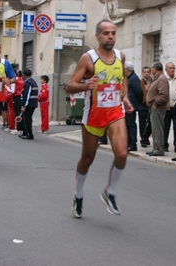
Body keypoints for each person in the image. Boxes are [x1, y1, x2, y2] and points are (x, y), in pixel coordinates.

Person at [65, 20, 134, 218]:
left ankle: (109, 192)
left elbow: (123, 80)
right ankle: (78, 195)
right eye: (106, 33)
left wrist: (125, 97)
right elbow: (70, 86)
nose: (110, 36)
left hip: (115, 113)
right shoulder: (88, 59)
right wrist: (86, 86)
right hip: (93, 115)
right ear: (97, 36)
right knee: (87, 159)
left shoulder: (120, 56)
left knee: (121, 154)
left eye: (113, 33)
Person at [146, 61, 169, 156]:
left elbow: (164, 95)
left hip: (158, 108)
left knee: (158, 128)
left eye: (152, 68)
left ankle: (159, 149)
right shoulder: (157, 78)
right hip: (154, 107)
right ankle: (155, 148)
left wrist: (155, 103)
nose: (151, 70)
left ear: (155, 68)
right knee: (154, 129)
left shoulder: (162, 78)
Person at [125, 61, 143, 152]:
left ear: (127, 69)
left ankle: (133, 144)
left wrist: (138, 103)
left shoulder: (134, 78)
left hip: (131, 105)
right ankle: (128, 143)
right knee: (127, 125)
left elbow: (139, 92)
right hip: (127, 105)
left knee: (131, 125)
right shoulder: (127, 78)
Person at [163, 62, 176, 152]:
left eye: (173, 68)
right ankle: (164, 145)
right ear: (166, 69)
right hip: (166, 108)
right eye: (170, 68)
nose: (172, 70)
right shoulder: (163, 79)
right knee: (165, 127)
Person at [19, 69, 38, 140]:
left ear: (24, 75)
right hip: (32, 104)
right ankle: (25, 133)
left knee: (27, 119)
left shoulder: (28, 83)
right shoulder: (32, 82)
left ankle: (29, 134)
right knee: (26, 118)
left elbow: (27, 95)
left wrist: (24, 106)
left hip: (29, 104)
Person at [139, 66, 152, 148]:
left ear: (150, 73)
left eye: (148, 72)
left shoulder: (153, 81)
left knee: (150, 123)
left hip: (151, 105)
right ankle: (143, 139)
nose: (146, 73)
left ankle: (146, 136)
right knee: (142, 123)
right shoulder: (140, 82)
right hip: (142, 104)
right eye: (145, 72)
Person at [10, 70, 24, 135]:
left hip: (15, 96)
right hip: (21, 96)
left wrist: (6, 87)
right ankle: (21, 128)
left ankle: (17, 128)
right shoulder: (21, 79)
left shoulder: (14, 79)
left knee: (16, 113)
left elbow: (12, 90)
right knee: (20, 112)